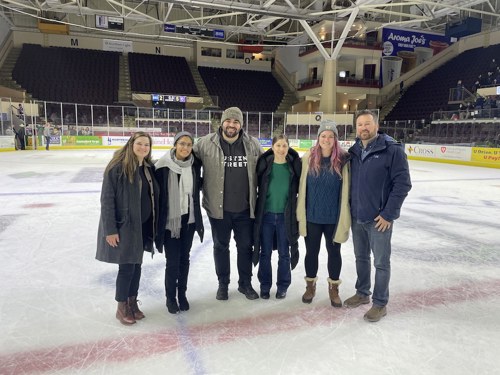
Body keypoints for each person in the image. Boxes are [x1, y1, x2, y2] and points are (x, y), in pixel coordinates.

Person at [344, 109, 412, 322]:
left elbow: (403, 184)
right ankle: (363, 293)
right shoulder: (354, 151)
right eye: (360, 125)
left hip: (379, 220)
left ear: (376, 125)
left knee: (381, 263)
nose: (363, 128)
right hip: (357, 217)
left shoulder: (392, 150)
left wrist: (388, 214)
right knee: (361, 258)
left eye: (367, 124)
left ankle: (380, 303)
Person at [193, 107, 263, 301]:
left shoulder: (253, 144)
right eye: (228, 121)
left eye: (236, 122)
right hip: (218, 209)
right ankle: (223, 284)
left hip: (245, 209)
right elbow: (185, 160)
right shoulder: (205, 144)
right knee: (220, 247)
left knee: (245, 247)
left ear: (241, 125)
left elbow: (267, 167)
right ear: (222, 122)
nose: (231, 125)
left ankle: (245, 284)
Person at [95, 131, 159, 325]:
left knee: (137, 265)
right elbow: (107, 200)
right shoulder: (117, 167)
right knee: (127, 267)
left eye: (146, 145)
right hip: (124, 226)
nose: (143, 148)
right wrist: (110, 230)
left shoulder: (148, 168)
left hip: (142, 226)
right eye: (139, 144)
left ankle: (132, 302)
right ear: (131, 144)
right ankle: (121, 306)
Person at [296, 120, 351, 307]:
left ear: (335, 139)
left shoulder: (344, 161)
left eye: (330, 136)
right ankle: (310, 286)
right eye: (323, 135)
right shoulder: (308, 158)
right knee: (311, 253)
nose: (326, 139)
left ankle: (334, 288)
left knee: (334, 253)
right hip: (312, 217)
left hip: (333, 218)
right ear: (318, 138)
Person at [154, 131, 204, 314]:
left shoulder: (194, 165)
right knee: (172, 261)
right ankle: (170, 297)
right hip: (170, 223)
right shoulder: (162, 166)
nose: (185, 147)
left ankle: (182, 294)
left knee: (185, 259)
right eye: (182, 143)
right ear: (175, 144)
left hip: (189, 220)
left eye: (189, 145)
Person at [253, 134, 301, 300]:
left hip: (285, 218)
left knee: (284, 254)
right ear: (272, 147)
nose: (281, 149)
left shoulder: (293, 167)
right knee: (265, 253)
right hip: (266, 216)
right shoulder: (265, 165)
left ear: (288, 148)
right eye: (278, 145)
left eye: (284, 146)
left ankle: (282, 286)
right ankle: (264, 286)